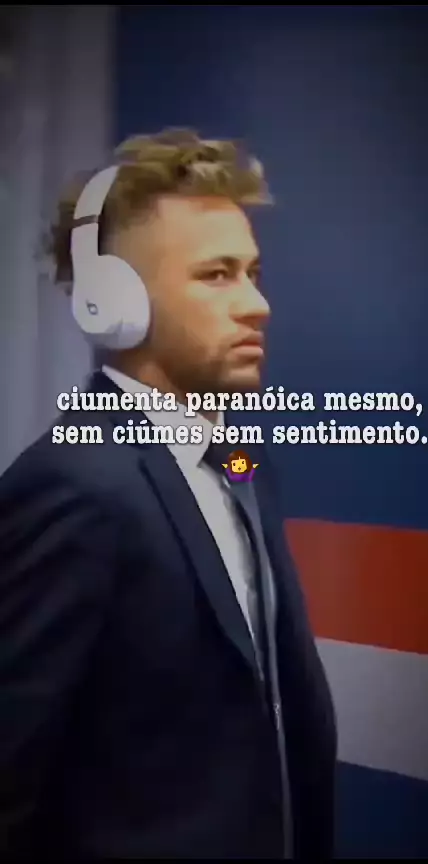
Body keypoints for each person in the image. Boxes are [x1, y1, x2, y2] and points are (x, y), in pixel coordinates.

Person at [0, 128, 337, 859]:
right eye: (216, 275)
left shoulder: (241, 461)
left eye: (253, 272)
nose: (257, 304)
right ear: (113, 304)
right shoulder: (71, 485)